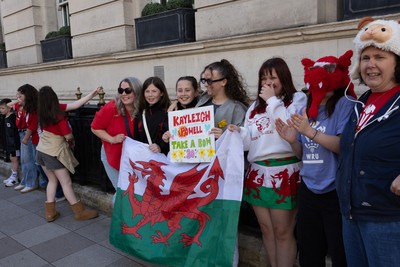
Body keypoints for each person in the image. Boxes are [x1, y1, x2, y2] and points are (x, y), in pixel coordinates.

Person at [275, 50, 356, 267]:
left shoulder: (345, 105)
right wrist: (293, 140)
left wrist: (310, 132)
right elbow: (303, 154)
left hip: (335, 191)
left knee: (340, 253)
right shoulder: (305, 110)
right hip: (309, 189)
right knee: (310, 253)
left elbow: (343, 146)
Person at [228, 57, 307, 267]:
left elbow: (288, 128)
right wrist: (237, 132)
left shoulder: (296, 100)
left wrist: (272, 101)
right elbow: (250, 141)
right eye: (264, 78)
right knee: (267, 229)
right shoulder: (254, 107)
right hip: (257, 172)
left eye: (273, 77)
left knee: (283, 231)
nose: (268, 82)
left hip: (284, 170)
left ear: (284, 77)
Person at [336, 17, 400, 267]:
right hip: (352, 215)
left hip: (389, 219)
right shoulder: (361, 101)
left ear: (397, 62)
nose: (370, 65)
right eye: (365, 58)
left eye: (380, 57)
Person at [36, 85, 99, 222]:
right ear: (53, 97)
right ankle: (79, 212)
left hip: (41, 151)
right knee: (66, 183)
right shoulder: (58, 113)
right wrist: (71, 141)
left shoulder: (42, 112)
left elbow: (74, 105)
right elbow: (68, 135)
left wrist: (92, 94)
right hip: (54, 152)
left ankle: (50, 213)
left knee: (52, 181)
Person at [91, 77, 142, 197]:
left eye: (128, 90)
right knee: (122, 192)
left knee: (134, 193)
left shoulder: (142, 108)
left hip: (134, 160)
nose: (124, 94)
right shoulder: (112, 108)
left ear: (137, 91)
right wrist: (112, 139)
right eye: (121, 90)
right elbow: (95, 127)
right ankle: (118, 215)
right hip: (113, 156)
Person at [196, 59, 250, 139]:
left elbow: (243, 140)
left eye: (210, 81)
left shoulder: (236, 109)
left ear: (223, 82)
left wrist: (223, 137)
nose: (206, 85)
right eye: (204, 80)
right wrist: (176, 103)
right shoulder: (202, 99)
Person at [8, 84, 41, 193]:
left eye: (20, 95)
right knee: (23, 159)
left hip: (28, 134)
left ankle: (31, 183)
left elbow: (32, 126)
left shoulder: (31, 109)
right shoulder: (19, 106)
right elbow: (8, 105)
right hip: (21, 133)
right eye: (17, 95)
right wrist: (18, 100)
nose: (18, 98)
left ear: (28, 96)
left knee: (29, 159)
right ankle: (25, 181)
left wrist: (26, 138)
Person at [136, 76, 170, 155]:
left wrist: (160, 146)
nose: (150, 95)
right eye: (147, 91)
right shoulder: (140, 112)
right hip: (143, 157)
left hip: (163, 159)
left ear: (161, 93)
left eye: (154, 91)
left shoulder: (169, 112)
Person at [0, 98, 21, 187]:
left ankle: (14, 178)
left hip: (15, 144)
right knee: (12, 159)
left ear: (9, 108)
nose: (0, 110)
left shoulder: (12, 117)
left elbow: (16, 131)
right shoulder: (5, 117)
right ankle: (12, 176)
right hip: (9, 144)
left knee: (14, 159)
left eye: (2, 108)